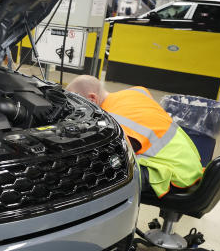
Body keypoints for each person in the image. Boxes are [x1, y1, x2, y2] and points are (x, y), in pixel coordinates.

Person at [65, 75, 203, 197]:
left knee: (104, 176)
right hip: (190, 163)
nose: (75, 112)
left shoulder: (114, 121)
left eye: (76, 106)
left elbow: (116, 153)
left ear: (92, 99)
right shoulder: (135, 92)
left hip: (173, 172)